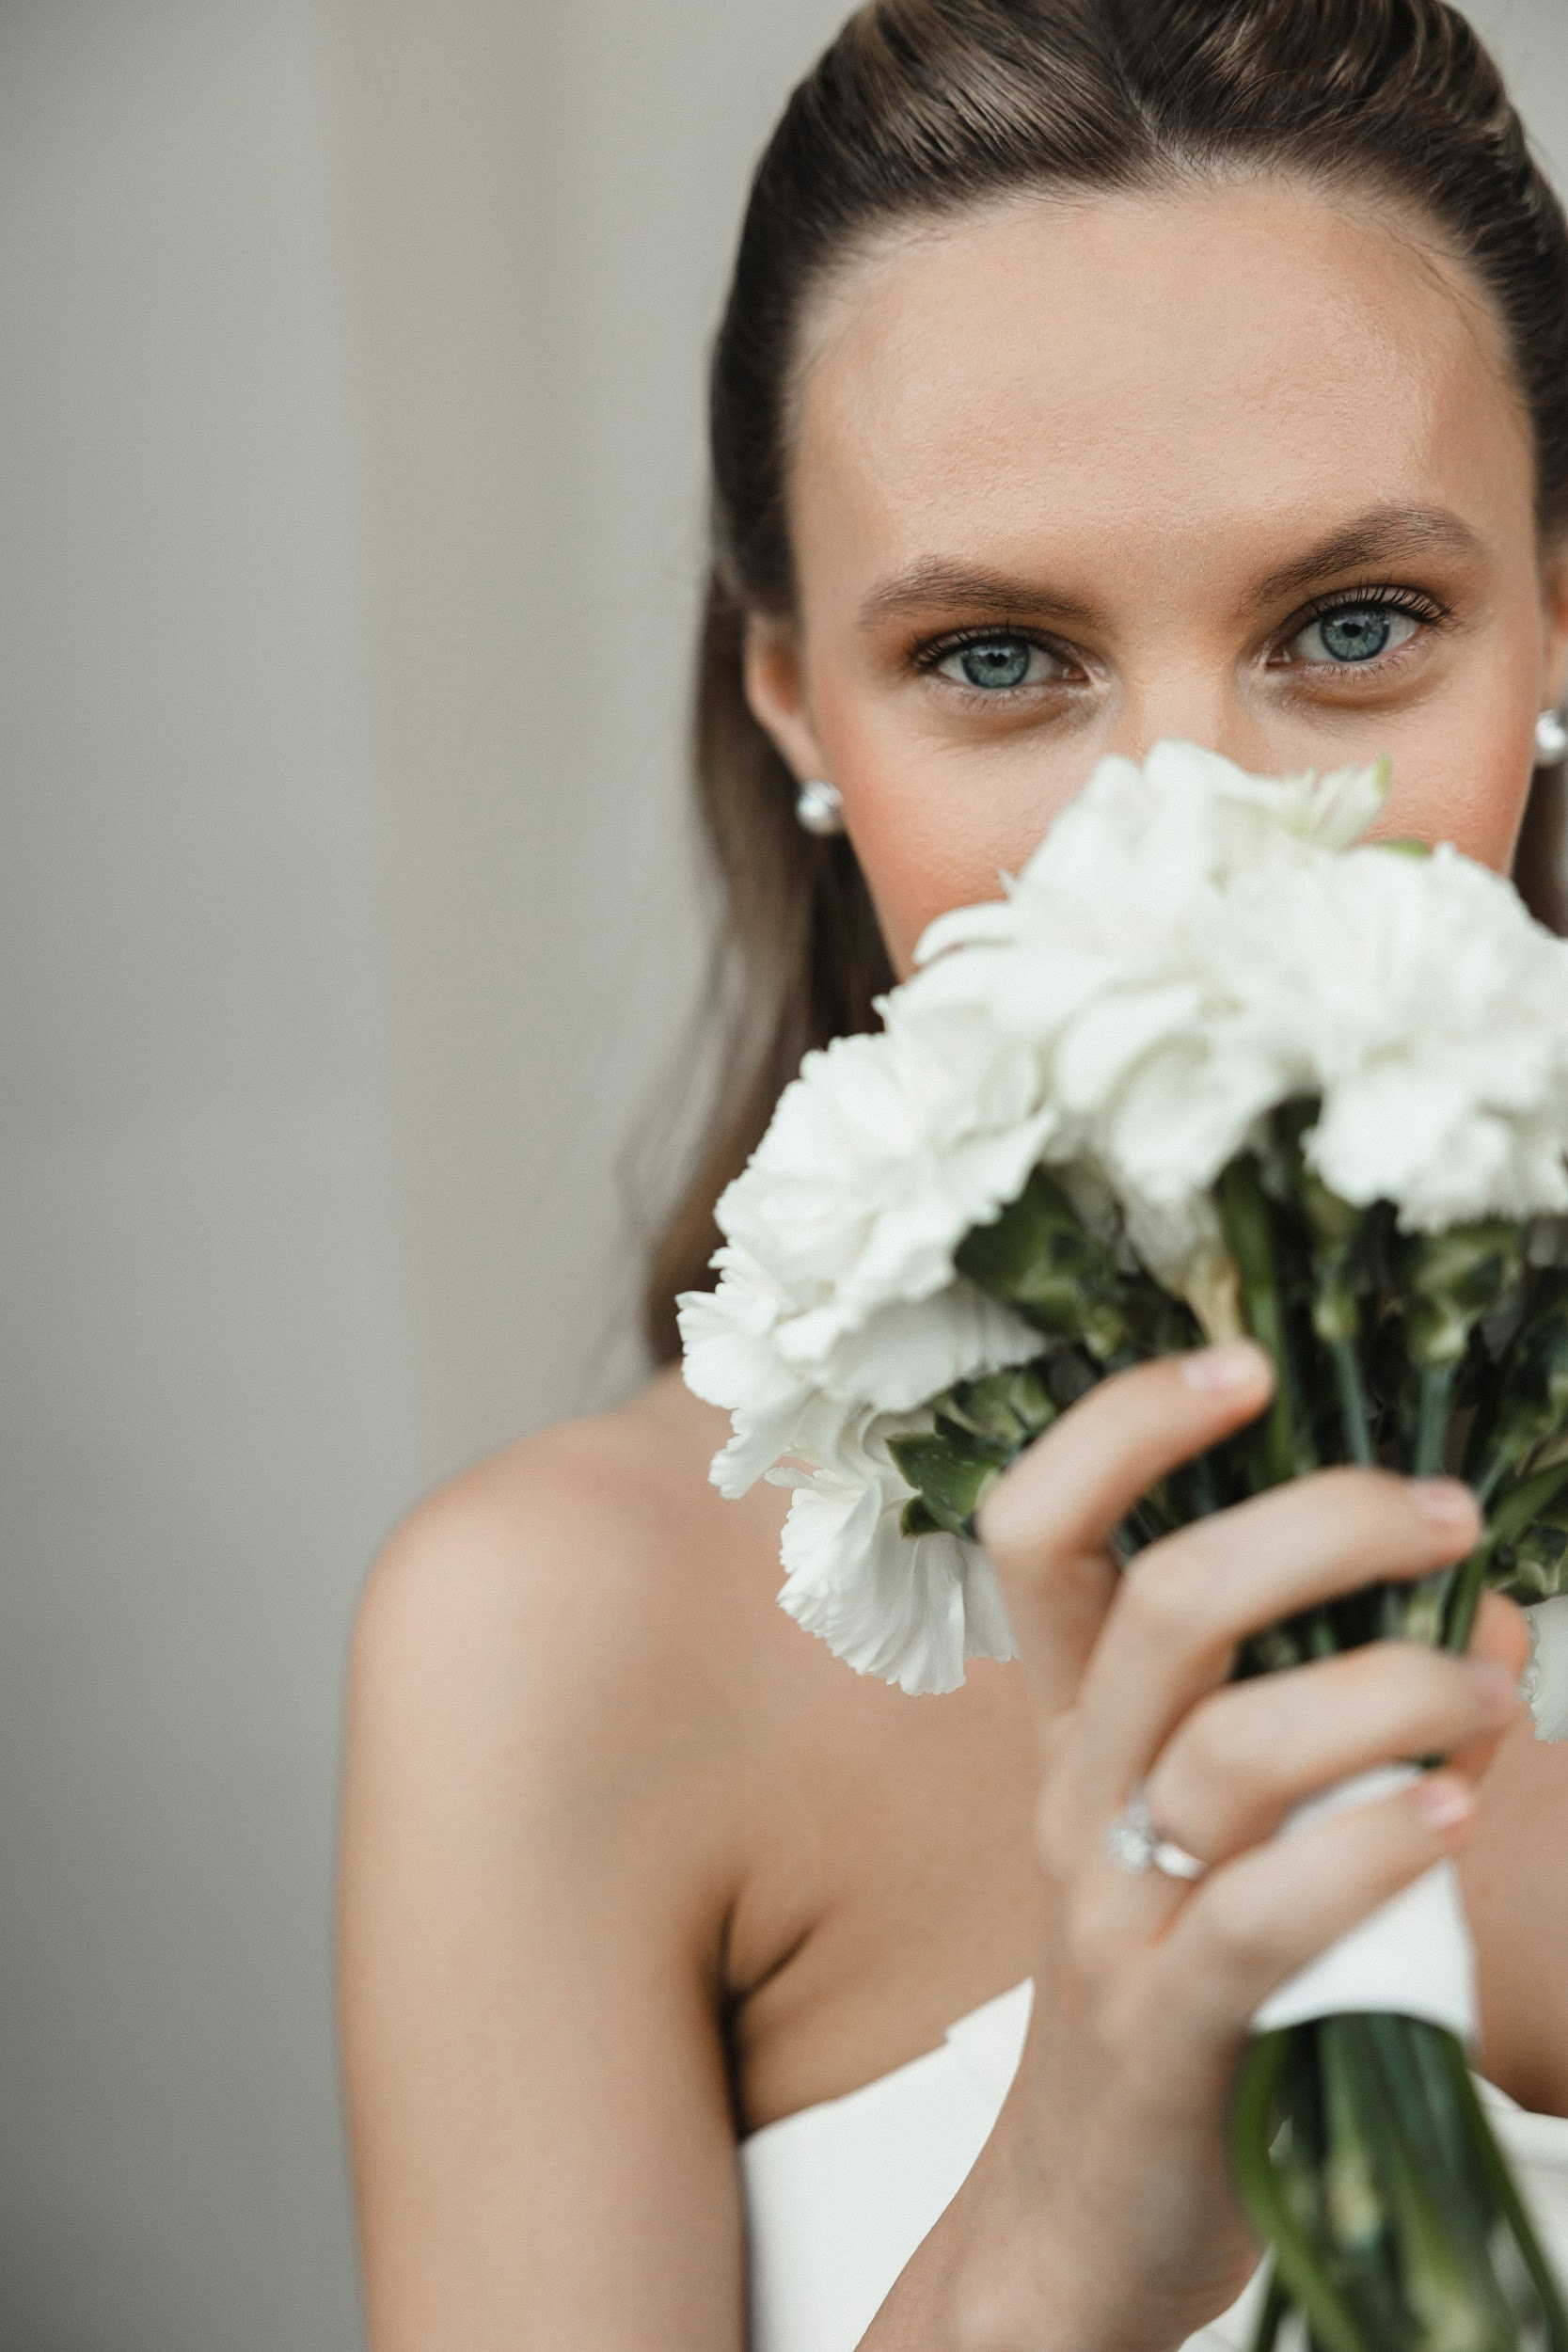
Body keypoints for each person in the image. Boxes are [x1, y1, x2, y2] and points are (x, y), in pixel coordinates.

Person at [336, 3, 1568, 2346]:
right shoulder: (557, 1640)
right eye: (1000, 655)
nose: (1187, 834)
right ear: (795, 698)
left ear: (1560, 615)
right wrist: (1058, 2228)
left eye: (1355, 626)